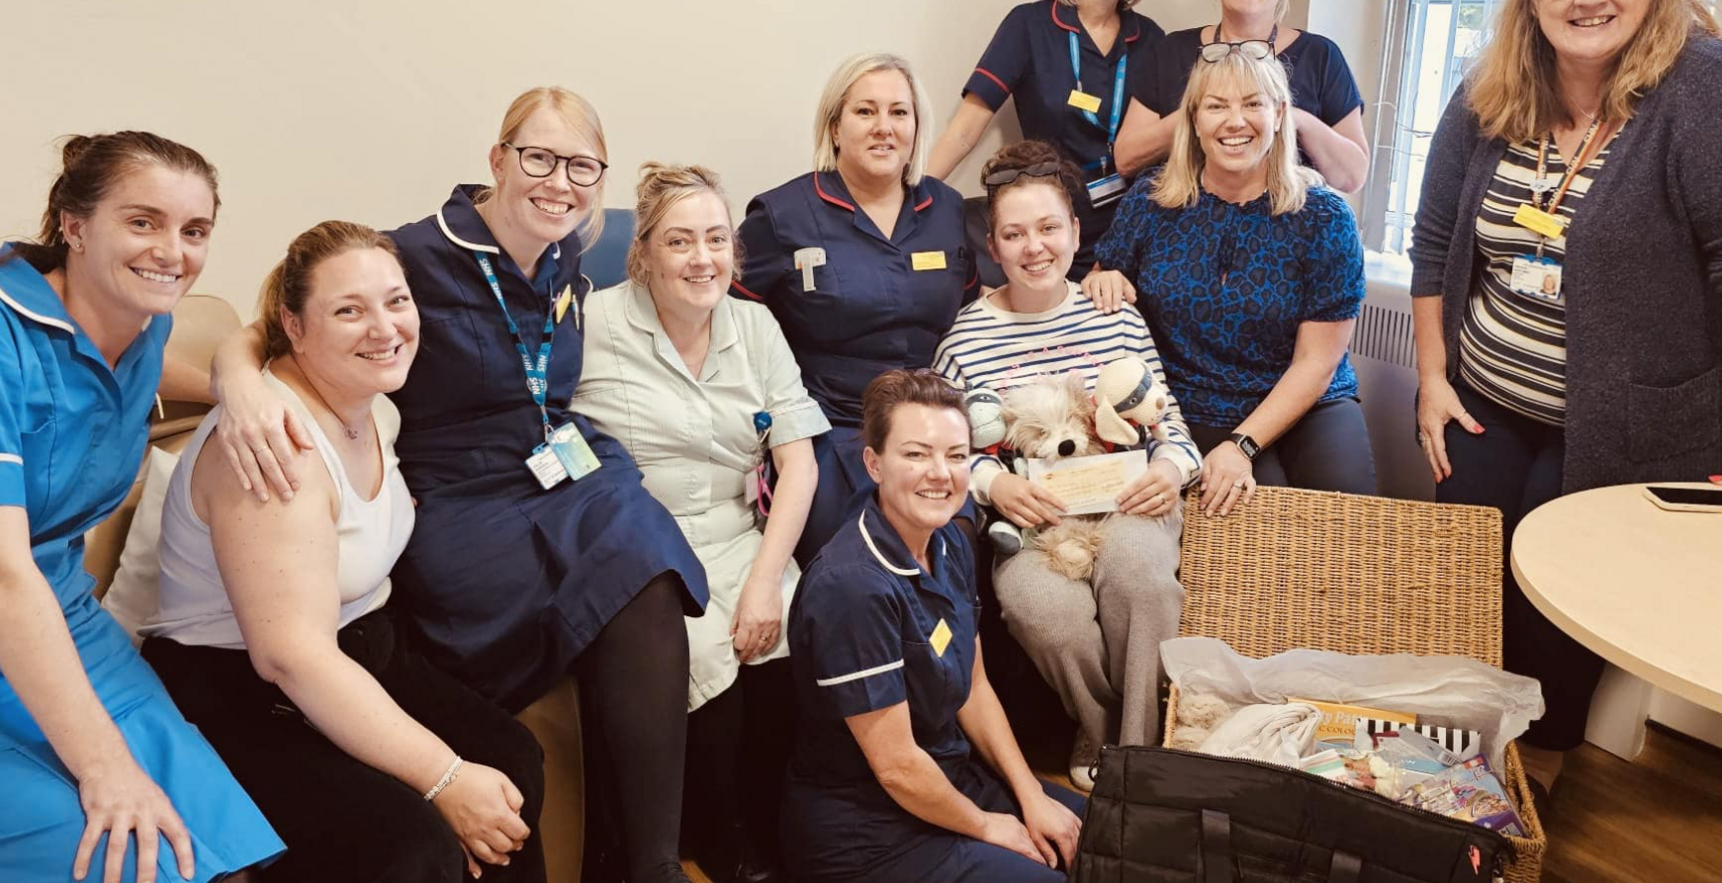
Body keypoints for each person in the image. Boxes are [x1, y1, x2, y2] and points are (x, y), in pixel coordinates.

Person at [209, 88, 709, 883]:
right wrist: (236, 382)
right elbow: (275, 320)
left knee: (641, 552)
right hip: (456, 493)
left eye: (582, 166)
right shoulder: (413, 253)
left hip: (553, 468)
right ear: (498, 160)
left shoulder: (566, 258)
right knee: (627, 548)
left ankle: (642, 862)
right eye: (539, 158)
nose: (560, 182)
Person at [1409, 0, 1722, 792]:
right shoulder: (1491, 91)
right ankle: (1454, 756)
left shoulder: (1708, 87)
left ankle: (1536, 768)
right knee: (1465, 573)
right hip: (1483, 397)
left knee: (1561, 602)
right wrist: (1432, 376)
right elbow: (1435, 244)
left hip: (1629, 418)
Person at [139, 221, 547, 883]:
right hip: (241, 692)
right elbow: (290, 658)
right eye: (349, 311)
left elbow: (256, 334)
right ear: (295, 328)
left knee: (512, 760)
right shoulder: (275, 449)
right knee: (410, 847)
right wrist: (444, 778)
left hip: (363, 647)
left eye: (397, 301)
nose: (384, 328)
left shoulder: (376, 406)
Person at [0, 132, 283, 883]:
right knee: (127, 859)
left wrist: (238, 382)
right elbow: (3, 577)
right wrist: (103, 767)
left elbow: (174, 364)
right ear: (74, 224)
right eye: (143, 222)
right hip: (12, 600)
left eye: (194, 231)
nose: (172, 251)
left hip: (63, 615)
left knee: (223, 857)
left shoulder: (139, 320)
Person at [573, 164, 828, 883]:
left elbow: (799, 465)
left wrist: (765, 579)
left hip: (740, 531)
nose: (702, 258)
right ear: (643, 252)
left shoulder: (754, 324)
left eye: (716, 239)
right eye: (680, 241)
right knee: (705, 647)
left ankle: (766, 822)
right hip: (642, 546)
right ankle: (715, 836)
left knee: (794, 621)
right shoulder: (595, 324)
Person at [931, 140, 1199, 787]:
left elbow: (1172, 428)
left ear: (1076, 232)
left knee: (1139, 572)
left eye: (1050, 227)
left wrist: (1170, 469)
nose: (1035, 247)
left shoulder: (1115, 317)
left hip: (1129, 499)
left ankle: (1140, 761)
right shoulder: (965, 339)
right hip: (1033, 520)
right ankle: (1103, 730)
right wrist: (993, 482)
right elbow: (942, 453)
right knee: (1038, 606)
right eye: (1014, 234)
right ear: (993, 247)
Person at [782, 370, 1084, 883]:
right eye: (916, 454)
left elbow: (974, 687)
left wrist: (1030, 794)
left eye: (956, 455)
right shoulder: (851, 587)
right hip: (869, 831)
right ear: (874, 464)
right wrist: (991, 827)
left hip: (949, 779)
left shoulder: (948, 544)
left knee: (1099, 837)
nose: (940, 473)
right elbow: (897, 766)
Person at [1085, 48, 1376, 509]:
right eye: (1216, 106)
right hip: (1192, 402)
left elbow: (1317, 364)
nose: (1234, 121)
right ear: (1194, 121)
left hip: (1307, 401)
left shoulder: (1324, 217)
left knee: (1345, 515)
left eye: (1253, 104)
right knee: (1255, 515)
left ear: (1280, 115)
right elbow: (1105, 277)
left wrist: (1244, 445)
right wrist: (1102, 281)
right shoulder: (1151, 200)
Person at [735, 54, 977, 566]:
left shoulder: (948, 211)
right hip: (827, 426)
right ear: (835, 127)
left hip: (929, 425)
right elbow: (729, 323)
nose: (884, 128)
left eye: (899, 113)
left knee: (956, 552)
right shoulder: (782, 216)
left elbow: (979, 312)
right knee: (851, 560)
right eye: (865, 112)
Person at [927, 0, 1164, 278]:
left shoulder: (1153, 39)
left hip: (1129, 234)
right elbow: (964, 132)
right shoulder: (1029, 26)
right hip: (1047, 230)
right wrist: (909, 198)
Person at [1112, 0, 1369, 193]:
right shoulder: (1171, 50)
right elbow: (1126, 159)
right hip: (1182, 224)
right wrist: (1197, 115)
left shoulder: (1321, 56)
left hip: (1288, 228)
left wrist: (1291, 118)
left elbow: (1353, 176)